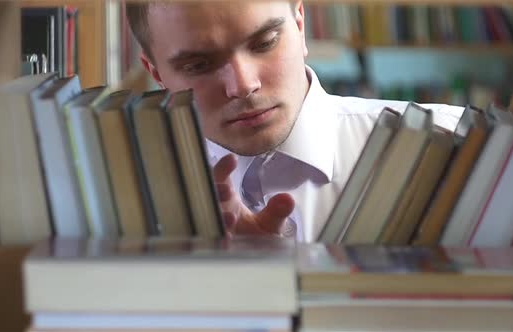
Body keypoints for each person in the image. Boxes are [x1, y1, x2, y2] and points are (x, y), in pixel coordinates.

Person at [126, 1, 463, 242]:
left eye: (265, 43)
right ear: (157, 74)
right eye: (198, 65)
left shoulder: (457, 146)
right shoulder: (120, 198)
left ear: (300, 25)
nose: (243, 85)